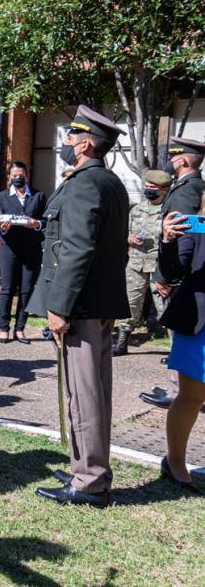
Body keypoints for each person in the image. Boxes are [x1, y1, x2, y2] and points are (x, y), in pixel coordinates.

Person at [27, 105, 130, 508]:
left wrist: (60, 305)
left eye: (70, 138)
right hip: (93, 304)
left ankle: (89, 480)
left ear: (85, 143)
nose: (65, 144)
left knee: (84, 393)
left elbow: (76, 249)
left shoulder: (87, 184)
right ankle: (84, 466)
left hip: (81, 307)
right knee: (89, 391)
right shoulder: (108, 182)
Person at [142, 137, 205, 409]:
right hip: (179, 268)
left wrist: (168, 276)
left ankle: (180, 390)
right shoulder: (186, 187)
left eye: (173, 157)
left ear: (181, 160)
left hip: (182, 274)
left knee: (182, 338)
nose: (171, 162)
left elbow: (186, 236)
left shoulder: (188, 190)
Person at [157, 205, 205, 492]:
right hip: (200, 320)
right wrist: (168, 240)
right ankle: (175, 461)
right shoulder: (195, 227)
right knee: (192, 397)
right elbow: (173, 271)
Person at [113, 169, 171, 356]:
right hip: (136, 264)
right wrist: (127, 237)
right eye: (146, 187)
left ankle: (175, 350)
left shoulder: (169, 211)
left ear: (163, 190)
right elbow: (124, 231)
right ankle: (122, 342)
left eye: (152, 188)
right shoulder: (137, 209)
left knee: (165, 307)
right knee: (131, 303)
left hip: (158, 265)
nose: (148, 190)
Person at [0, 161, 46, 343]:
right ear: (8, 177)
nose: (17, 178)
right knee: (7, 288)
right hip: (9, 248)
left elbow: (46, 222)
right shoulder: (1, 197)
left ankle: (20, 328)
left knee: (27, 290)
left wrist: (36, 224)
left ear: (27, 177)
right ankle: (4, 328)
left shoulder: (38, 196)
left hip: (32, 249)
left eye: (20, 175)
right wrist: (4, 228)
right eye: (13, 176)